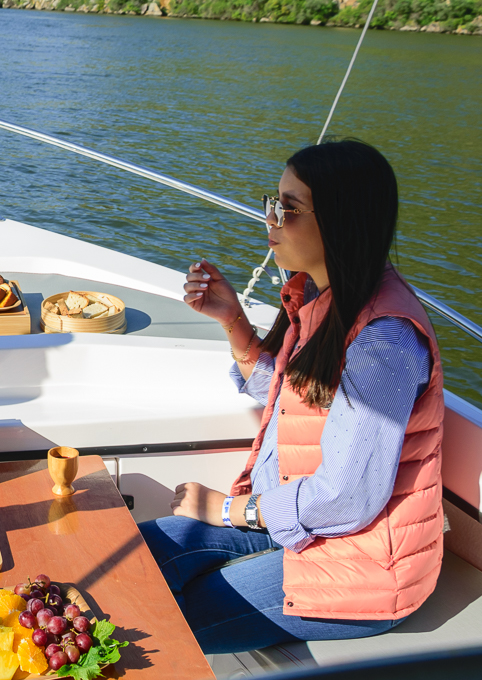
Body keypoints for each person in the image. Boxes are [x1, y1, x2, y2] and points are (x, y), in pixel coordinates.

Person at [139, 138, 444, 654]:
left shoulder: (384, 340)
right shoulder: (325, 298)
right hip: (301, 523)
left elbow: (349, 498)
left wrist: (229, 510)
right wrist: (232, 320)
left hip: (364, 563)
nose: (271, 220)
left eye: (289, 208)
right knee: (137, 559)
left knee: (160, 620)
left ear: (342, 220)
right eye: (271, 202)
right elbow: (296, 401)